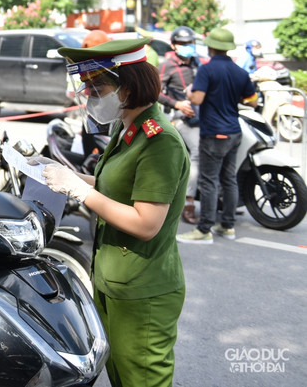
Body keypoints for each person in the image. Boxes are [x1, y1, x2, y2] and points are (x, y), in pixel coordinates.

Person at [39, 37, 188, 387]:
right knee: (120, 376)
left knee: (142, 380)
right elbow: (116, 184)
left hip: (143, 289)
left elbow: (146, 223)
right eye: (87, 86)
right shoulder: (127, 127)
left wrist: (80, 191)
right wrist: (70, 177)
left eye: (99, 85)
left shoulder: (159, 140)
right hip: (113, 280)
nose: (90, 94)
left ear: (130, 84)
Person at [178, 27, 258, 244]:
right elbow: (253, 101)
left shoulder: (207, 70)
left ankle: (204, 230)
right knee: (229, 179)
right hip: (234, 131)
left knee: (209, 181)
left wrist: (189, 93)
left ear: (211, 47)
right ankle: (227, 226)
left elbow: (198, 100)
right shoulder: (240, 72)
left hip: (214, 132)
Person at [157, 26, 201, 225]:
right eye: (182, 44)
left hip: (204, 116)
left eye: (189, 43)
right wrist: (177, 104)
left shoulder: (197, 63)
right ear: (174, 45)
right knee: (197, 152)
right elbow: (155, 91)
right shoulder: (167, 65)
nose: (187, 47)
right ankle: (189, 202)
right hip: (181, 117)